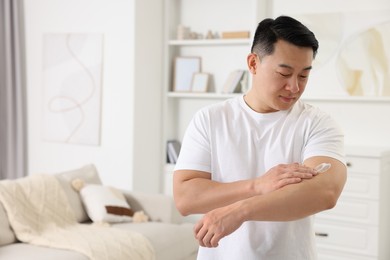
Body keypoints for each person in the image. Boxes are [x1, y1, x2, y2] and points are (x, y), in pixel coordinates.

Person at [173, 15, 347, 260]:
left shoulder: (317, 124)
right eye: (284, 73)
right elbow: (185, 198)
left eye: (304, 75)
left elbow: (325, 192)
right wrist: (257, 185)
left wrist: (240, 211)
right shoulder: (210, 119)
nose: (294, 87)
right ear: (253, 64)